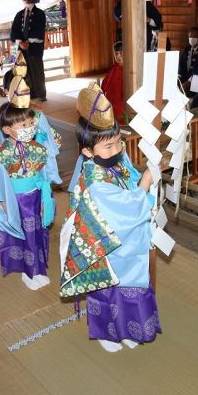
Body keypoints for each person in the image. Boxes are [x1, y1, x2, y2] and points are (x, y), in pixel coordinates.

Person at [60, 83, 161, 353]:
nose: (117, 150)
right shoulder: (93, 179)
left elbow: (132, 182)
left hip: (125, 239)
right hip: (103, 244)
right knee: (107, 290)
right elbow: (127, 204)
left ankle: (127, 329)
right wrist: (146, 186)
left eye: (119, 142)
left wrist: (146, 191)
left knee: (129, 287)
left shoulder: (115, 161)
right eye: (108, 146)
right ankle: (106, 332)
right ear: (87, 152)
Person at [0, 55, 62, 290]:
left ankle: (39, 267)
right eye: (23, 126)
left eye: (30, 125)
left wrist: (46, 191)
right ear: (7, 130)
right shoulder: (2, 155)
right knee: (23, 236)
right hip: (16, 200)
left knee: (39, 232)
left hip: (35, 195)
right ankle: (29, 272)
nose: (29, 129)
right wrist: (4, 207)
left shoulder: (37, 148)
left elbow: (46, 169)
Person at [11, 0, 47, 101]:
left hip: (35, 47)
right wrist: (20, 42)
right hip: (22, 48)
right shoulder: (19, 14)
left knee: (37, 70)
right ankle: (27, 93)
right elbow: (14, 30)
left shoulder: (40, 14)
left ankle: (40, 94)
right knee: (23, 71)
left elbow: (39, 31)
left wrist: (28, 41)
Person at [101, 41, 125, 121]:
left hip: (123, 105)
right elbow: (104, 86)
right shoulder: (113, 69)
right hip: (111, 104)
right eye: (116, 53)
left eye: (121, 53)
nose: (118, 56)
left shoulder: (131, 71)